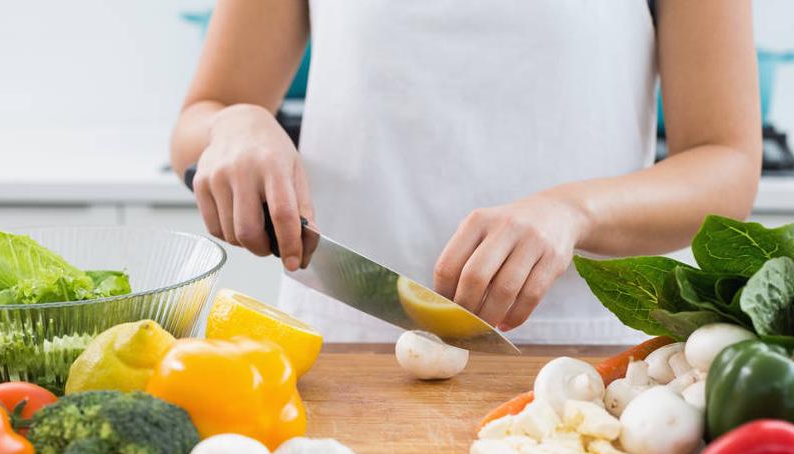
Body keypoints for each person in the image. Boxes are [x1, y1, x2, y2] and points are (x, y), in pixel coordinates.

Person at [171, 0, 761, 345]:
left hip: (584, 359)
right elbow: (201, 117)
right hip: (341, 344)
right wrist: (236, 124)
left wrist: (574, 211)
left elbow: (725, 160)